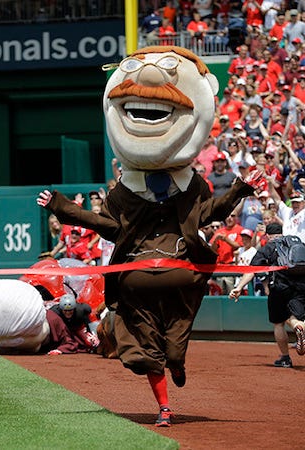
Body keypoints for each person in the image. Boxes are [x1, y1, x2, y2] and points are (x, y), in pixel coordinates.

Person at [39, 45, 262, 427]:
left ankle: (168, 387)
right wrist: (240, 187)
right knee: (162, 337)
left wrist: (58, 205)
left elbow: (103, 224)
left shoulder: (148, 192)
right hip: (161, 278)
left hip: (154, 279)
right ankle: (170, 380)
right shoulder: (164, 191)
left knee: (155, 346)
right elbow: (211, 213)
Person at [230, 222, 305, 367]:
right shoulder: (297, 242)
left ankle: (285, 359)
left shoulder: (269, 247)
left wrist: (239, 287)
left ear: (267, 235)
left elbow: (253, 270)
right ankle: (299, 326)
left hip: (279, 288)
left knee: (278, 323)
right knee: (296, 317)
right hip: (301, 287)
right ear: (282, 232)